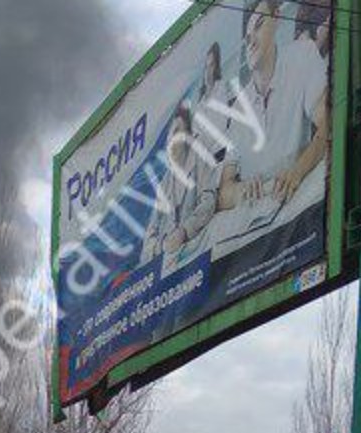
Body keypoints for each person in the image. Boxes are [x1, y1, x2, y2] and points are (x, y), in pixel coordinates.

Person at [218, 0, 329, 211]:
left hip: (296, 203)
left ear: (277, 17)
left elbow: (327, 125)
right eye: (247, 38)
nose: (252, 43)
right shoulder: (240, 107)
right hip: (254, 218)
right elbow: (224, 193)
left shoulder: (301, 56)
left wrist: (298, 171)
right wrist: (243, 189)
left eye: (259, 25)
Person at [140, 105, 218, 262]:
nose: (172, 140)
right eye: (170, 134)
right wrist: (161, 246)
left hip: (196, 257)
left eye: (177, 132)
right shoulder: (164, 184)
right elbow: (147, 244)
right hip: (168, 266)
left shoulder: (201, 161)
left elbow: (209, 201)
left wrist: (184, 231)